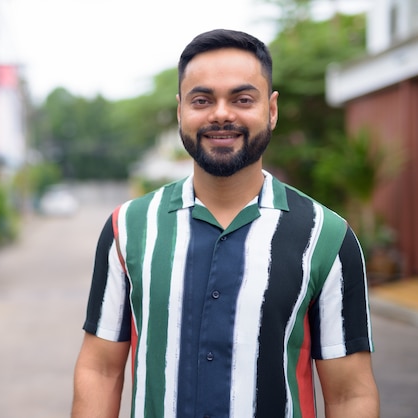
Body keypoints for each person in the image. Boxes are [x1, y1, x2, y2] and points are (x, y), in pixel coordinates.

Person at [71, 29, 379, 418]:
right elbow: (100, 370)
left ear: (271, 109)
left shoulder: (326, 237)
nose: (221, 113)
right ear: (181, 109)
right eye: (202, 100)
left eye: (242, 99)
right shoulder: (128, 228)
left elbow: (350, 394)